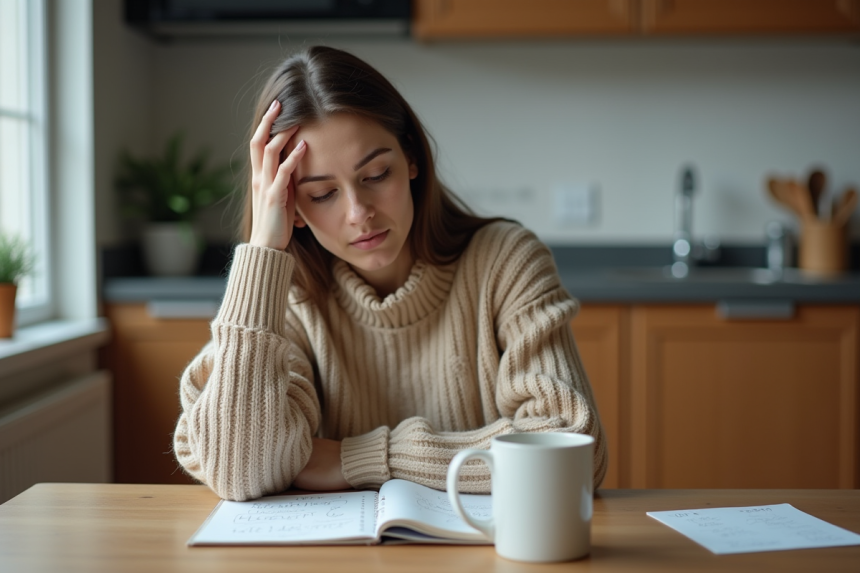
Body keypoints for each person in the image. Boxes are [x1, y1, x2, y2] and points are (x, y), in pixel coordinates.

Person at [173, 46, 607, 502]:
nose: (359, 213)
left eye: (377, 174)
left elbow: (575, 451)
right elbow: (238, 471)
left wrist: (355, 459)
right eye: (322, 195)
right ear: (290, 207)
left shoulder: (506, 262)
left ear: (412, 160)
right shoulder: (288, 300)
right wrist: (261, 252)